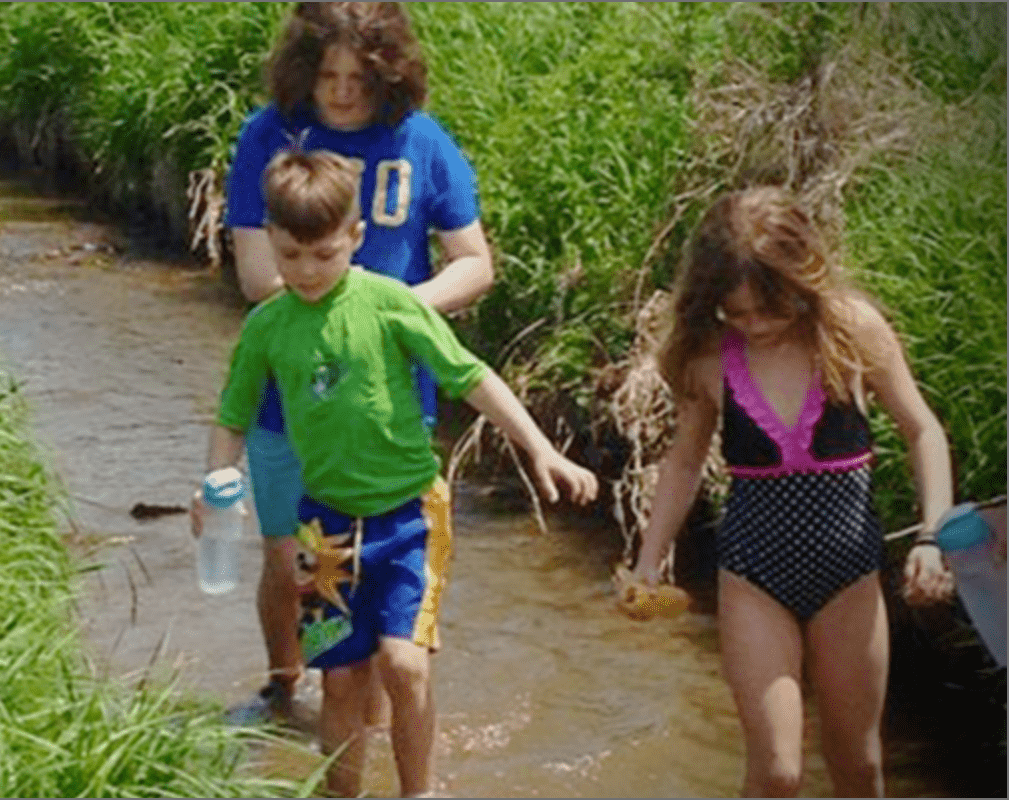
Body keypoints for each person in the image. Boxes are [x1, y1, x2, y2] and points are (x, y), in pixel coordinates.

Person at [195, 149, 598, 798]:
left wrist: (541, 448)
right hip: (322, 530)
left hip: (409, 514)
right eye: (290, 256)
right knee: (342, 680)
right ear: (270, 241)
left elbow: (471, 377)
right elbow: (232, 416)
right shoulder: (267, 327)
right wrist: (213, 485)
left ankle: (420, 792)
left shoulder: (389, 303)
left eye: (323, 255)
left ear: (355, 238)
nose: (306, 272)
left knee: (403, 664)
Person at [627, 186, 955, 797]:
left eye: (767, 310)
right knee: (777, 772)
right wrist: (649, 560)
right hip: (755, 577)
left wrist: (932, 538)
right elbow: (683, 462)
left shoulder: (851, 329)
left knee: (858, 765)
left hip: (849, 576)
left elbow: (922, 430)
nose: (752, 326)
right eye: (736, 313)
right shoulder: (707, 359)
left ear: (802, 282)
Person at [223, 0, 495, 724]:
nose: (342, 91)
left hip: (390, 401)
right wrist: (332, 316)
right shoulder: (266, 137)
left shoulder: (423, 142)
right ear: (302, 69)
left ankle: (361, 712)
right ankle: (284, 688)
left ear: (390, 72)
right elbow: (257, 275)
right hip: (288, 400)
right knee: (290, 559)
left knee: (374, 564)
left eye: (359, 77)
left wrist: (394, 317)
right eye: (327, 73)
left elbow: (474, 264)